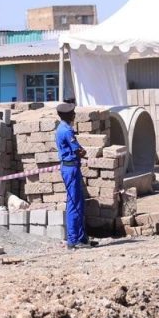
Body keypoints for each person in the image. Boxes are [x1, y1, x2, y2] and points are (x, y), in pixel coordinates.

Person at [55, 102, 88, 249]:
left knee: (79, 203)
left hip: (72, 167)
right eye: (72, 113)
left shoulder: (63, 128)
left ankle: (82, 238)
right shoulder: (66, 130)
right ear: (67, 115)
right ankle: (73, 240)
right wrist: (83, 151)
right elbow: (78, 151)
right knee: (74, 205)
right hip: (70, 168)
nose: (74, 115)